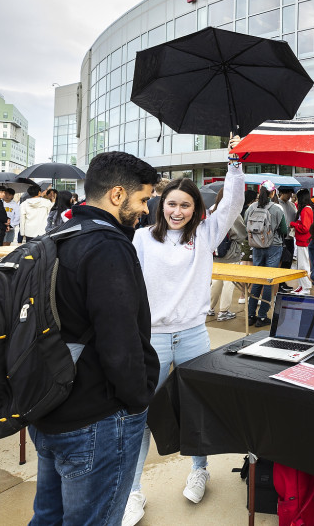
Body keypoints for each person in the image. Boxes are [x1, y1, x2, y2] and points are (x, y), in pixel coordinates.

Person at [29, 151, 160, 526]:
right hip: (97, 419)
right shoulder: (108, 246)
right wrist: (138, 399)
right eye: (142, 199)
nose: (146, 210)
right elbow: (120, 341)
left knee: (47, 518)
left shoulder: (59, 235)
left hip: (50, 408)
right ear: (117, 195)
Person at [125, 138, 243, 523]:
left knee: (196, 409)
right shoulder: (142, 238)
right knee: (139, 413)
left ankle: (199, 469)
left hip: (193, 335)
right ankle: (132, 490)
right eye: (171, 203)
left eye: (185, 204)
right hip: (153, 338)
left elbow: (233, 204)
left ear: (197, 209)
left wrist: (234, 162)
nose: (177, 210)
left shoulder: (205, 235)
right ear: (161, 205)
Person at [244, 182, 289, 327]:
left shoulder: (251, 207)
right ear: (273, 193)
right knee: (268, 280)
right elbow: (284, 230)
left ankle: (251, 315)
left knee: (257, 279)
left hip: (256, 246)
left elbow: (246, 224)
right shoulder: (276, 209)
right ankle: (262, 316)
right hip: (273, 246)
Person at [209, 189, 256, 320]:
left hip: (216, 252)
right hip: (231, 251)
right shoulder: (232, 213)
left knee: (216, 281)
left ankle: (210, 307)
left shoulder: (214, 211)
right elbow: (241, 233)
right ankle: (223, 311)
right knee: (229, 282)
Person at [289, 188, 314, 294]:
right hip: (302, 240)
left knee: (303, 265)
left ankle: (306, 287)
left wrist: (294, 224)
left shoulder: (306, 209)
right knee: (301, 265)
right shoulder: (307, 209)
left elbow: (305, 227)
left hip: (304, 241)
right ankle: (302, 286)